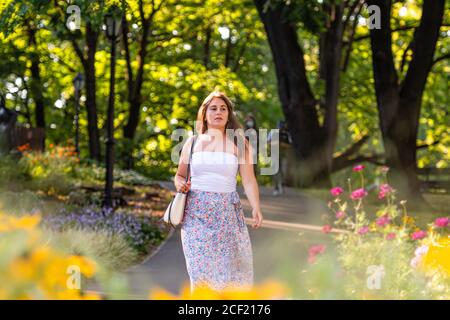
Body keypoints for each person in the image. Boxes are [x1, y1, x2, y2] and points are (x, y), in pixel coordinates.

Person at [174, 91, 263, 293]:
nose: (218, 112)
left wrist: (256, 207)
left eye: (223, 108)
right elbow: (179, 175)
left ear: (229, 114)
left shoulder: (240, 144)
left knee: (230, 275)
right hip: (196, 215)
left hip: (228, 215)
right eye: (213, 108)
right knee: (200, 273)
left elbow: (248, 180)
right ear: (204, 114)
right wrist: (180, 184)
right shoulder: (192, 143)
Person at [268, 120, 292, 196]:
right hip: (274, 154)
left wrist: (282, 145)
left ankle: (282, 184)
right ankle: (276, 188)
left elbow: (290, 145)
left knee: (283, 171)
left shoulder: (286, 134)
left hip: (284, 155)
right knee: (275, 171)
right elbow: (268, 142)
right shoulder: (273, 132)